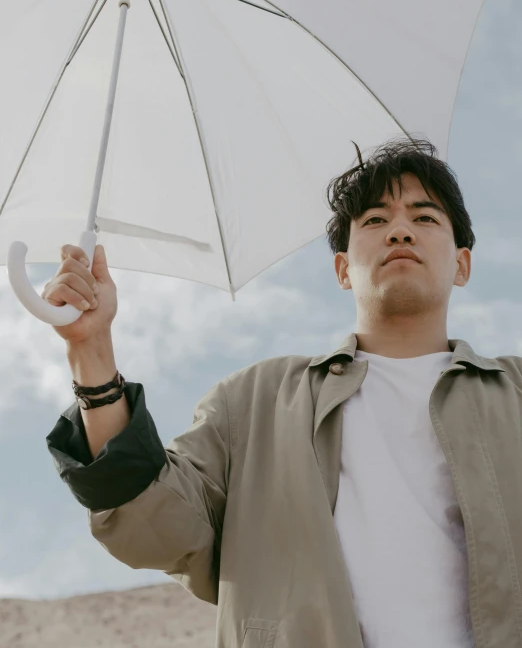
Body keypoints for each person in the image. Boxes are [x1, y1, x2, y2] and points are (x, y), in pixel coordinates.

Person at [45, 135, 522, 648]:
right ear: (342, 269)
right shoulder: (253, 401)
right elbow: (154, 524)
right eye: (375, 221)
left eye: (425, 218)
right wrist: (91, 349)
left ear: (463, 264)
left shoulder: (515, 394)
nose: (400, 231)